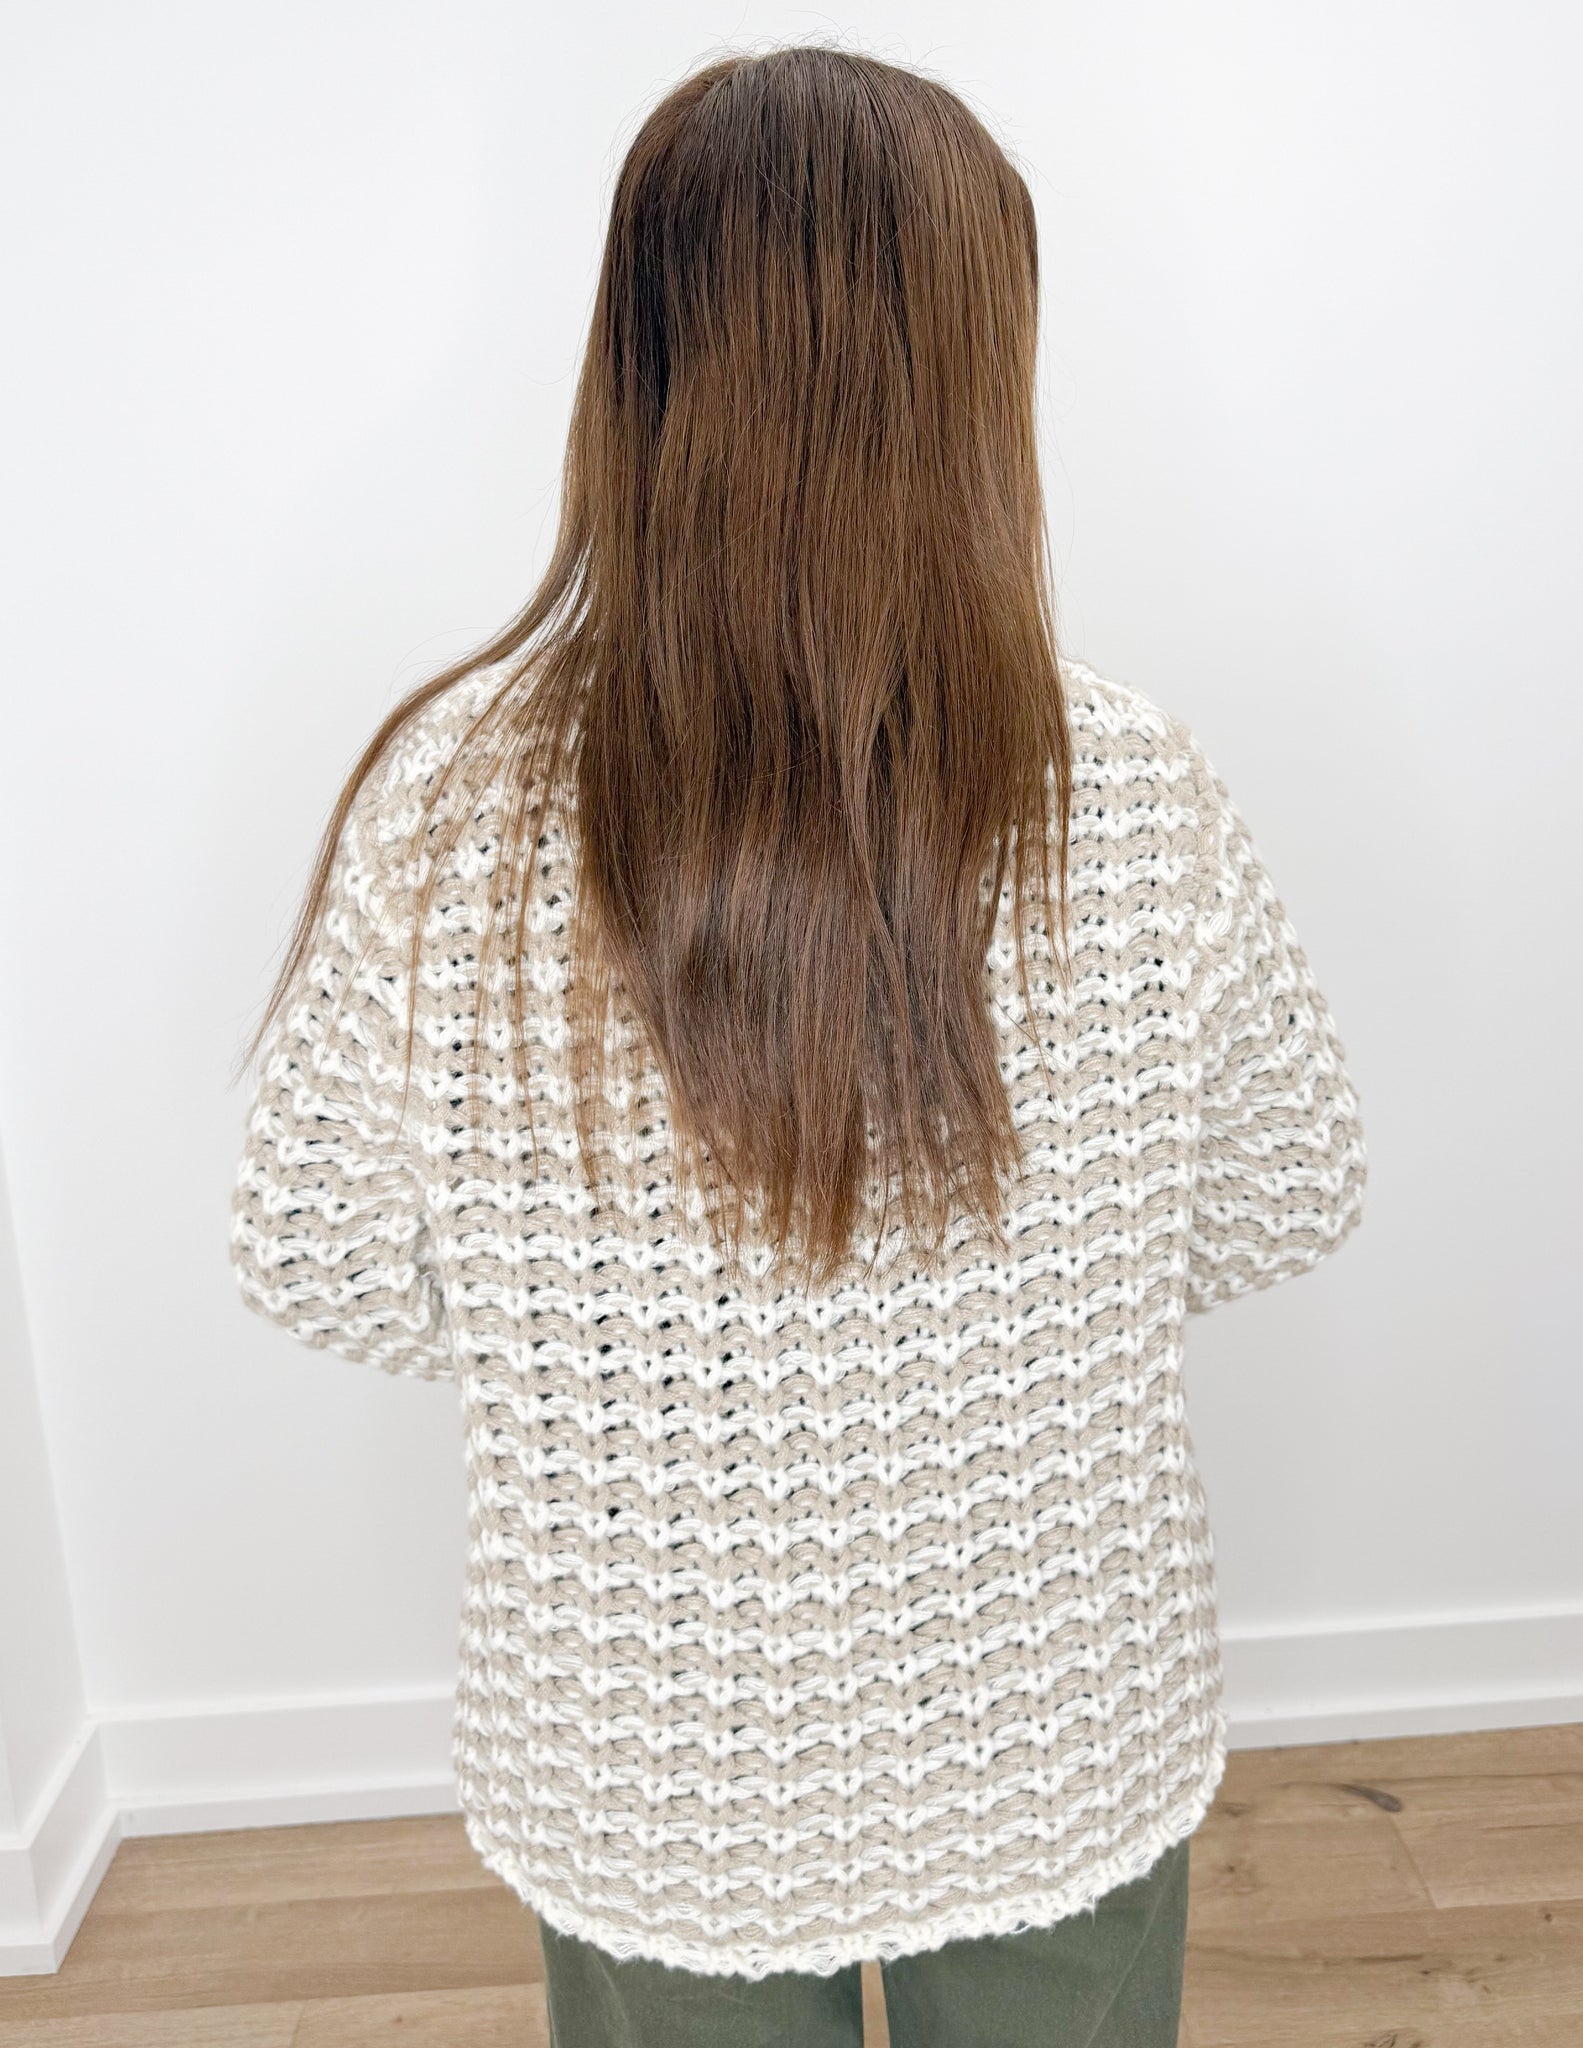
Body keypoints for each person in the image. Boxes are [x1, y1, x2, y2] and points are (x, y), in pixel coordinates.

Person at [230, 42, 1366, 2048]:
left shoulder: (450, 807)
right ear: (971, 388)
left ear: (639, 372)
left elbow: (317, 1249)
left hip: (649, 1742)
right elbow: (1288, 1188)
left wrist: (600, 1335)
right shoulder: (1124, 786)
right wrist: (1017, 1305)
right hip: (1049, 1703)